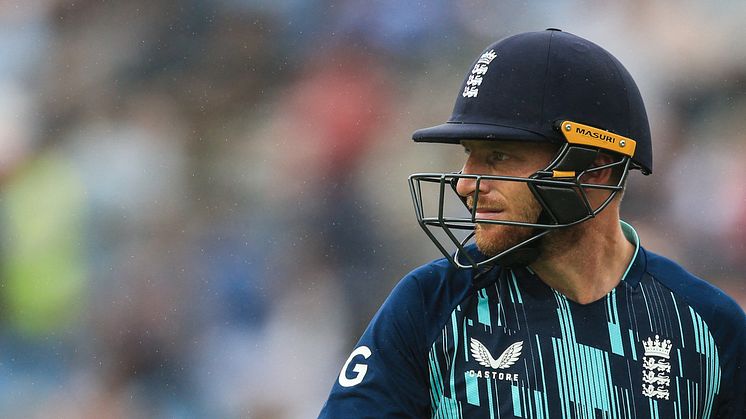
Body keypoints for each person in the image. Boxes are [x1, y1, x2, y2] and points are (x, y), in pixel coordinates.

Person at [318, 29, 746, 418]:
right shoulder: (430, 305)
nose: (467, 183)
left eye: (498, 157)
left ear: (594, 169)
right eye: (467, 153)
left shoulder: (711, 327)